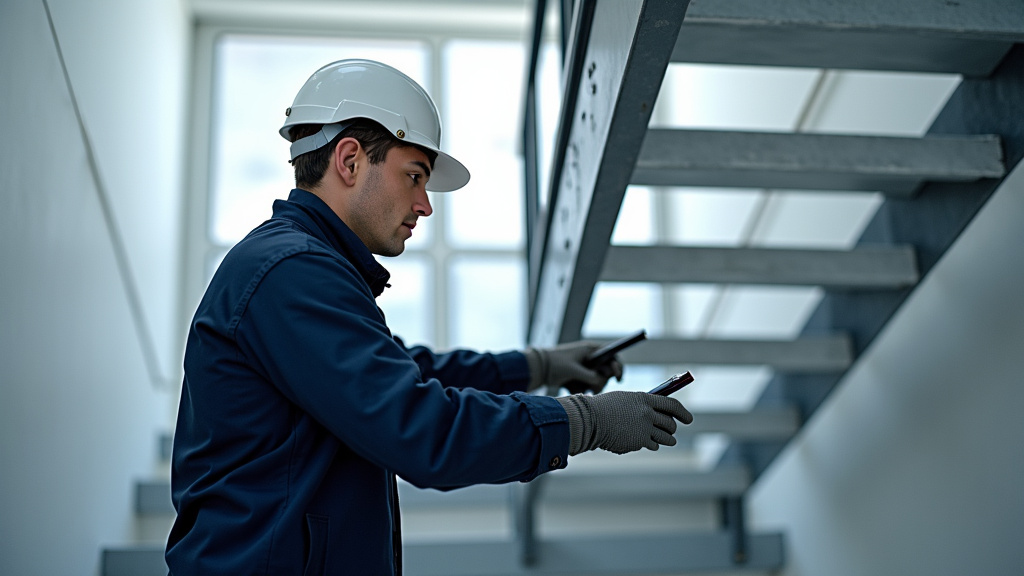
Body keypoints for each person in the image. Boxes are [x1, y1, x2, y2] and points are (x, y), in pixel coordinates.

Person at [165, 59, 693, 576]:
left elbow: (401, 373)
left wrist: (539, 366)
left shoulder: (297, 268)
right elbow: (419, 427)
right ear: (349, 160)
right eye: (414, 176)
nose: (425, 204)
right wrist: (585, 421)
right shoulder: (292, 272)